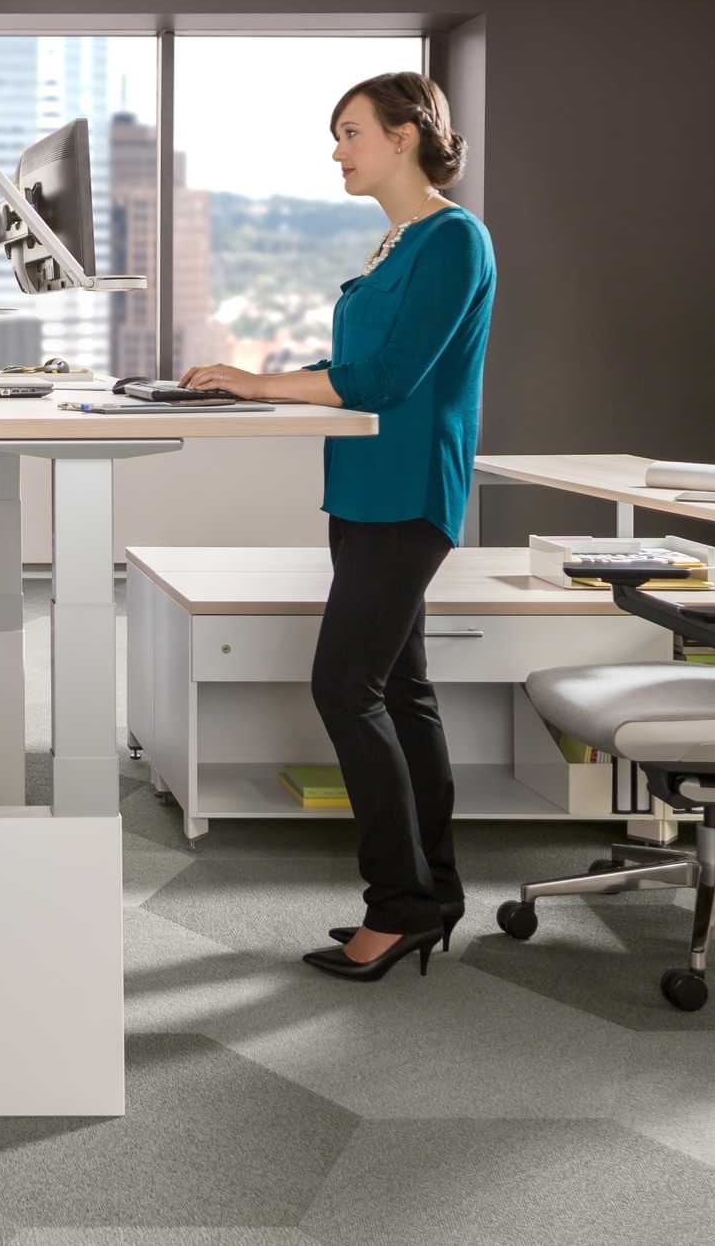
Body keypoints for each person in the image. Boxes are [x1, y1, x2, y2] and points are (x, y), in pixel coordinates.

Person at [178, 72, 496, 982]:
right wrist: (254, 378)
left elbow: (386, 379)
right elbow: (353, 362)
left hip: (409, 495)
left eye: (351, 131)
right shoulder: (399, 244)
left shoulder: (452, 239)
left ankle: (399, 906)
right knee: (402, 691)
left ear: (404, 136)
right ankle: (431, 894)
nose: (338, 150)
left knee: (343, 686)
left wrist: (257, 382)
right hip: (362, 492)